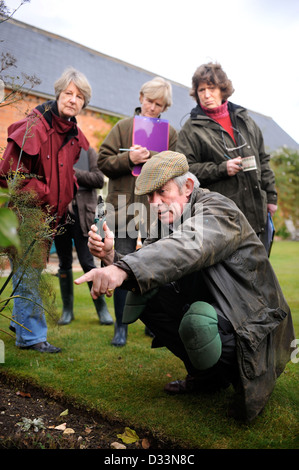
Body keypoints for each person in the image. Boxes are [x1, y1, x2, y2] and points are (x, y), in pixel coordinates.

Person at [75, 151, 295, 422]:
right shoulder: (165, 220)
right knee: (141, 293)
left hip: (252, 320)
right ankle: (206, 377)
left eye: (162, 192)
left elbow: (187, 246)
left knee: (198, 323)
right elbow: (153, 265)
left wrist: (121, 270)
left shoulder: (218, 210)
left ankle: (247, 378)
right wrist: (110, 257)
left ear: (188, 187)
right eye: (149, 196)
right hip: (216, 308)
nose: (155, 203)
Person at [0, 67, 91, 353]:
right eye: (68, 93)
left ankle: (20, 323)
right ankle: (32, 337)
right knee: (28, 275)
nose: (73, 100)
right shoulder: (34, 127)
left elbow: (70, 170)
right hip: (26, 216)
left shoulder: (74, 135)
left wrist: (69, 189)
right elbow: (8, 175)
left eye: (79, 97)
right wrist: (45, 193)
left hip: (51, 218)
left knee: (29, 273)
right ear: (58, 94)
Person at [97, 76, 177, 346]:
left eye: (158, 104)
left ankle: (153, 323)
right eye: (149, 101)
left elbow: (180, 170)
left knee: (158, 268)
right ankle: (121, 327)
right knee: (119, 264)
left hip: (157, 212)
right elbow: (103, 161)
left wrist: (156, 160)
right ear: (140, 97)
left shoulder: (170, 134)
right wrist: (128, 159)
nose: (152, 107)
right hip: (121, 211)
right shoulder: (122, 127)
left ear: (164, 107)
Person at [176, 62, 277, 256]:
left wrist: (271, 197)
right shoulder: (191, 129)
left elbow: (263, 160)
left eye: (211, 89)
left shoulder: (244, 119)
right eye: (201, 90)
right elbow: (184, 170)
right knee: (231, 279)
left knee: (260, 275)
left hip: (257, 215)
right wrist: (222, 169)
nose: (206, 95)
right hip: (221, 218)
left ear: (223, 90)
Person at [54, 146, 113, 326]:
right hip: (59, 214)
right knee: (63, 262)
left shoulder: (88, 152)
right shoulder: (54, 151)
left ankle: (101, 309)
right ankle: (67, 311)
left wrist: (70, 171)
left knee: (87, 262)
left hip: (84, 216)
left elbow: (98, 180)